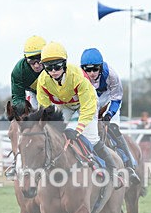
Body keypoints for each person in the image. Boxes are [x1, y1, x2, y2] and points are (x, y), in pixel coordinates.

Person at [35, 41, 119, 183]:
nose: (53, 71)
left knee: (92, 139)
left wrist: (78, 130)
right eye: (49, 67)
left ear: (65, 64)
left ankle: (114, 172)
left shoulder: (78, 76)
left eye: (57, 66)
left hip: (87, 104)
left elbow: (87, 108)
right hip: (66, 106)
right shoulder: (43, 81)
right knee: (56, 134)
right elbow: (46, 109)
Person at [80, 47, 139, 183]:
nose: (92, 73)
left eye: (95, 69)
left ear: (100, 67)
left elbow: (117, 98)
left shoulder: (111, 74)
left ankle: (129, 166)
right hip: (88, 101)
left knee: (113, 128)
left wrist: (109, 114)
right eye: (88, 70)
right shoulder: (78, 76)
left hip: (108, 101)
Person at [11, 35, 46, 116]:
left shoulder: (53, 66)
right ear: (25, 58)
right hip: (33, 93)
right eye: (31, 61)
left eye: (39, 60)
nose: (36, 65)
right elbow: (18, 97)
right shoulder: (19, 70)